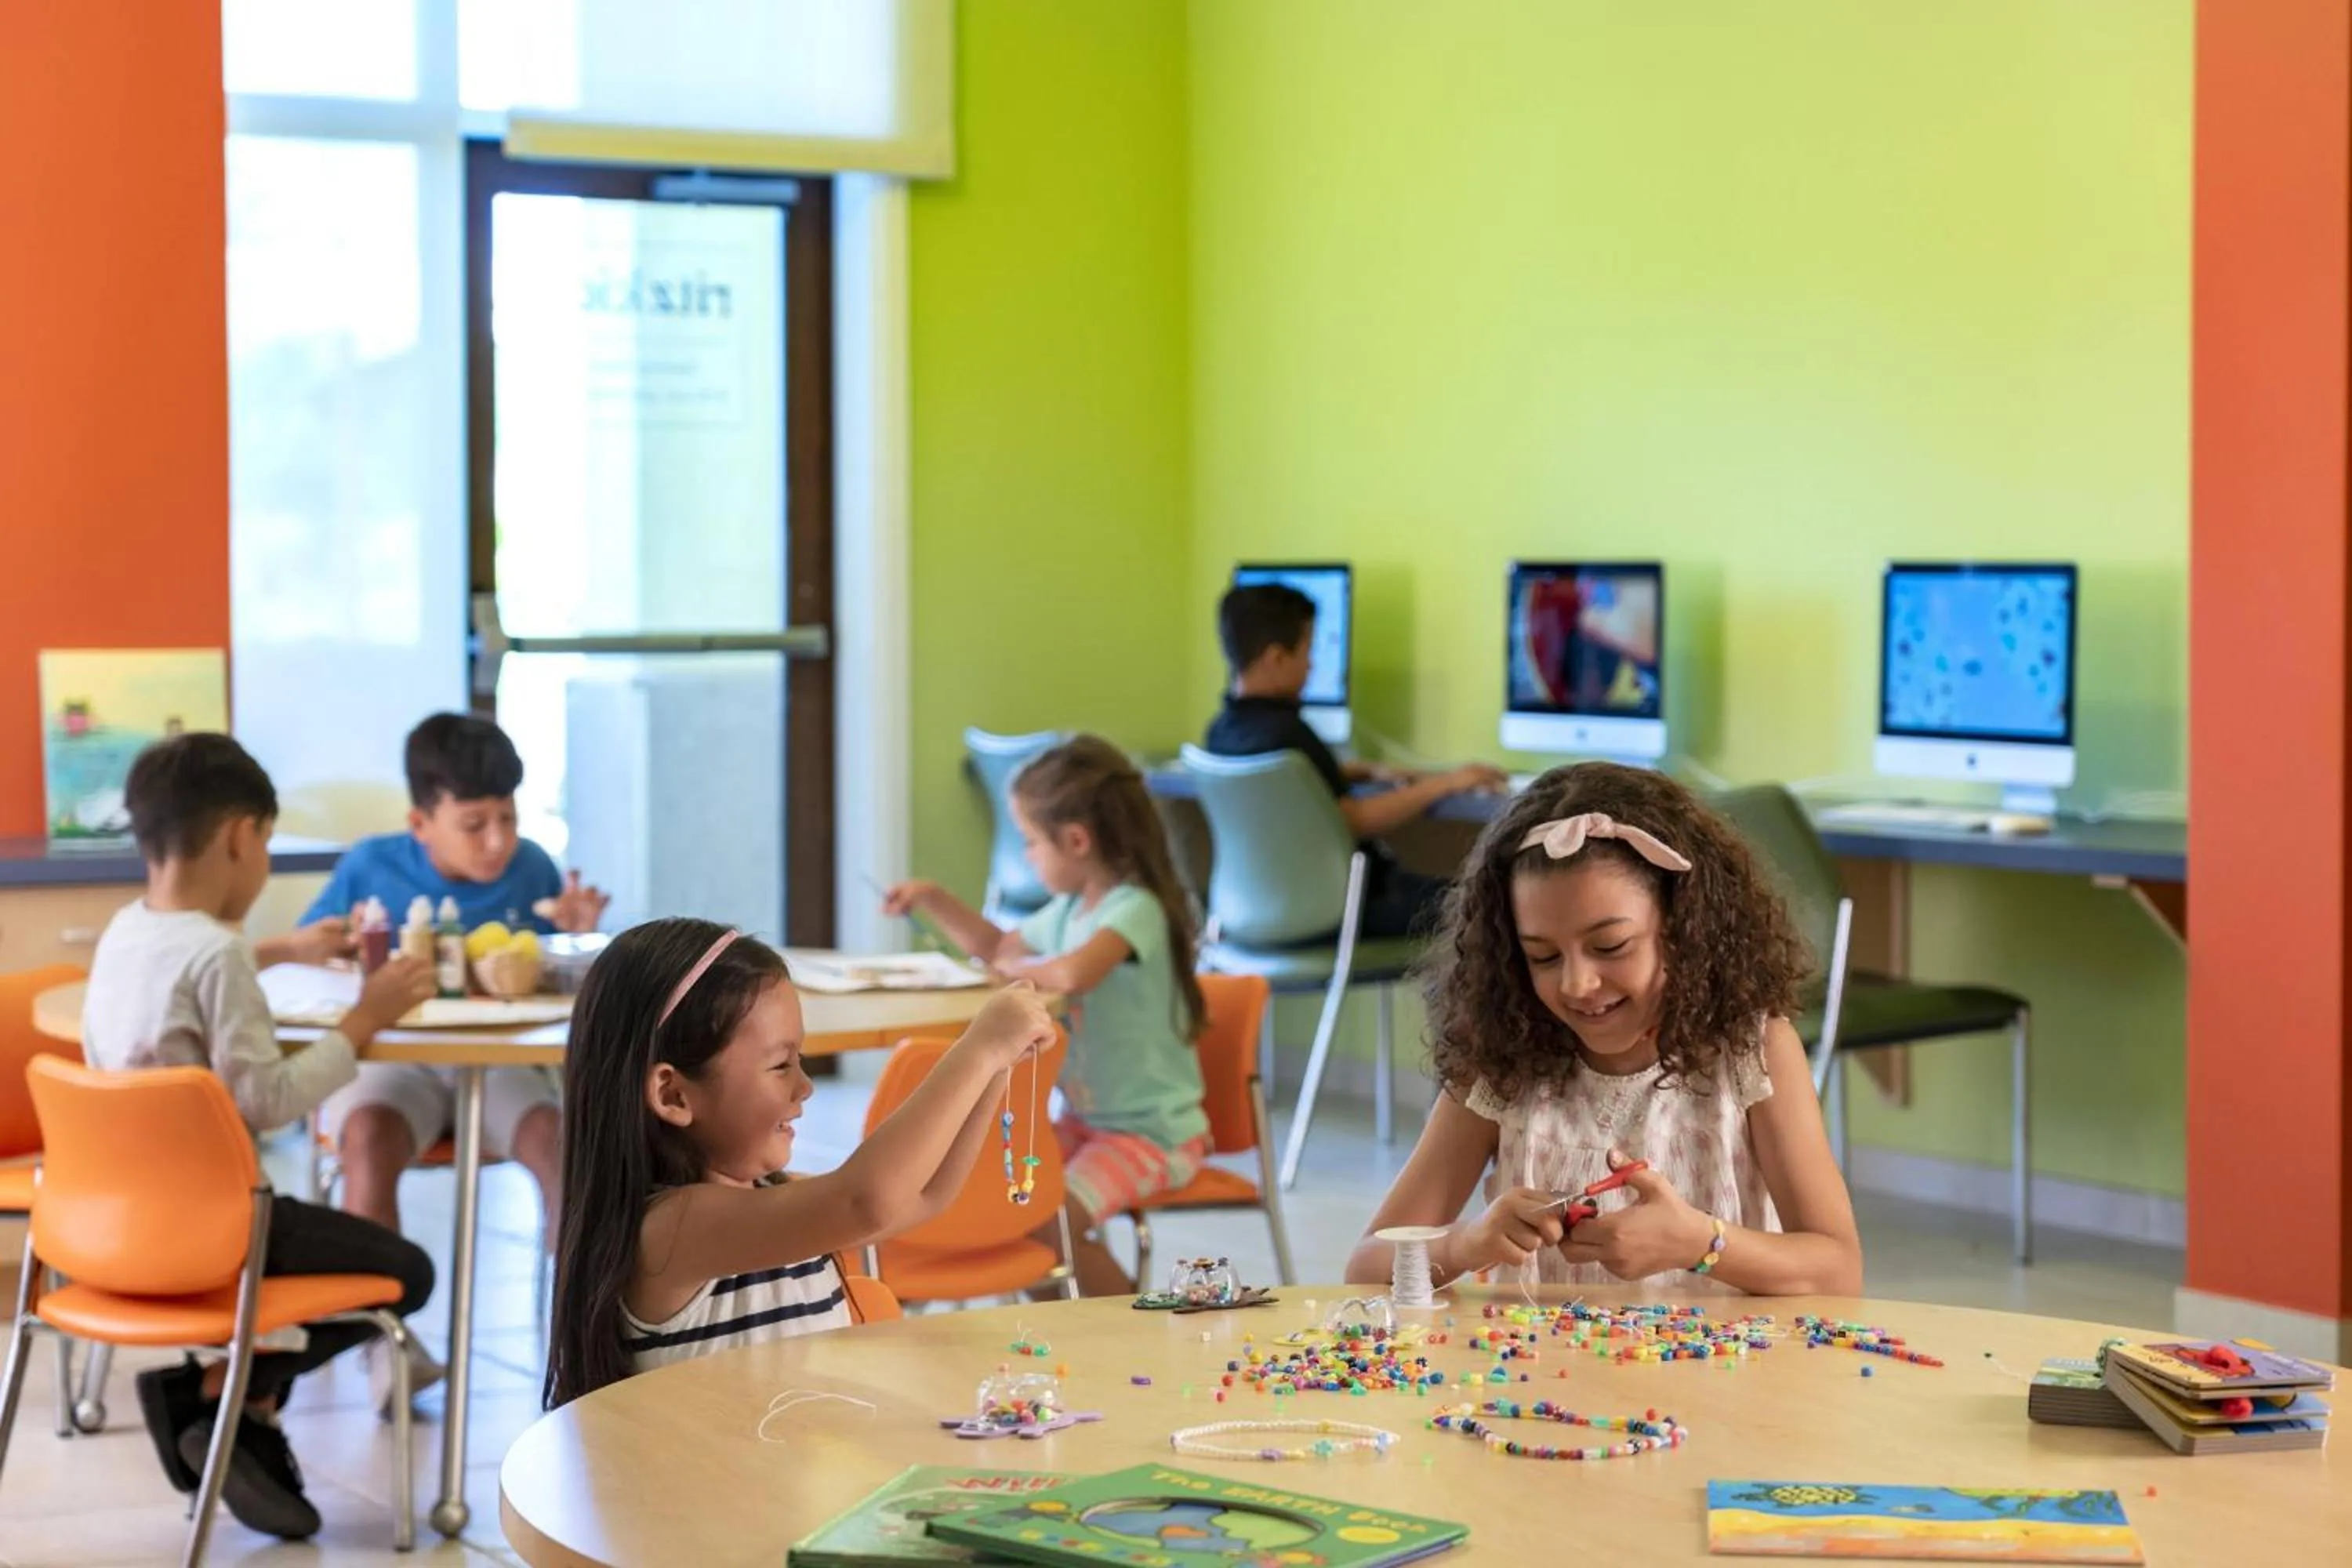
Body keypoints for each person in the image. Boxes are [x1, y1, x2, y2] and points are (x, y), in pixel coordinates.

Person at [81, 734, 439, 1541]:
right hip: (220, 1226)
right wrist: (365, 1018)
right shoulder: (217, 955)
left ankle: (236, 1403)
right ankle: (222, 1391)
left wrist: (281, 947)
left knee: (362, 1263)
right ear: (242, 835)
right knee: (408, 1272)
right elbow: (270, 1098)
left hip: (119, 1222)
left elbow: (200, 965)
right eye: (269, 841)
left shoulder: (125, 930)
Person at [1347, 763, 1862, 1294]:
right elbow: (1364, 1267)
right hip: (1544, 1377)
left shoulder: (1751, 1051)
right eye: (1542, 957)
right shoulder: (1503, 1062)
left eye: (1610, 947)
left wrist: (1702, 1245)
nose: (1578, 984)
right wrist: (1465, 1244)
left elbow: (1838, 1270)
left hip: (1720, 1379)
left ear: (1684, 927)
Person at [543, 919, 1056, 1406]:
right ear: (673, 1094)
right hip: (722, 1499)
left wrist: (997, 1066)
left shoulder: (771, 1200)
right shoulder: (672, 1230)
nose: (804, 1086)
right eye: (780, 1065)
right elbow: (866, 1202)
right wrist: (979, 1048)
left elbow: (927, 1194)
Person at [300, 711, 605, 1409]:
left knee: (560, 1146)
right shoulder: (368, 867)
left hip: (493, 1064)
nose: (497, 841)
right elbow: (309, 955)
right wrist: (341, 944)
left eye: (508, 817)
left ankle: (584, 1343)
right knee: (367, 1138)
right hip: (394, 1063)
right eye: (474, 824)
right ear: (420, 822)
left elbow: (561, 986)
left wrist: (575, 940)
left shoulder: (533, 868)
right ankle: (386, 1346)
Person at [883, 735, 1208, 1296]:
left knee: (1046, 1227)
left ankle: (1134, 1330)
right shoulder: (1066, 912)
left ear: (1076, 841)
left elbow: (1078, 972)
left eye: (1031, 842)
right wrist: (934, 898)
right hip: (1084, 1126)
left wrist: (1015, 970)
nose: (1028, 855)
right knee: (998, 1204)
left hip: (1153, 1134)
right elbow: (997, 947)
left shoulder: (1136, 909)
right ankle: (1070, 1330)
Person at [1203, 581, 1504, 937]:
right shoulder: (1291, 733)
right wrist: (1447, 783)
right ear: (1277, 658)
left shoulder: (1220, 734)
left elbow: (1285, 784)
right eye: (1306, 651)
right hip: (1345, 910)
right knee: (1484, 900)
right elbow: (1356, 819)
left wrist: (1353, 770)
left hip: (1250, 913)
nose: (1311, 665)